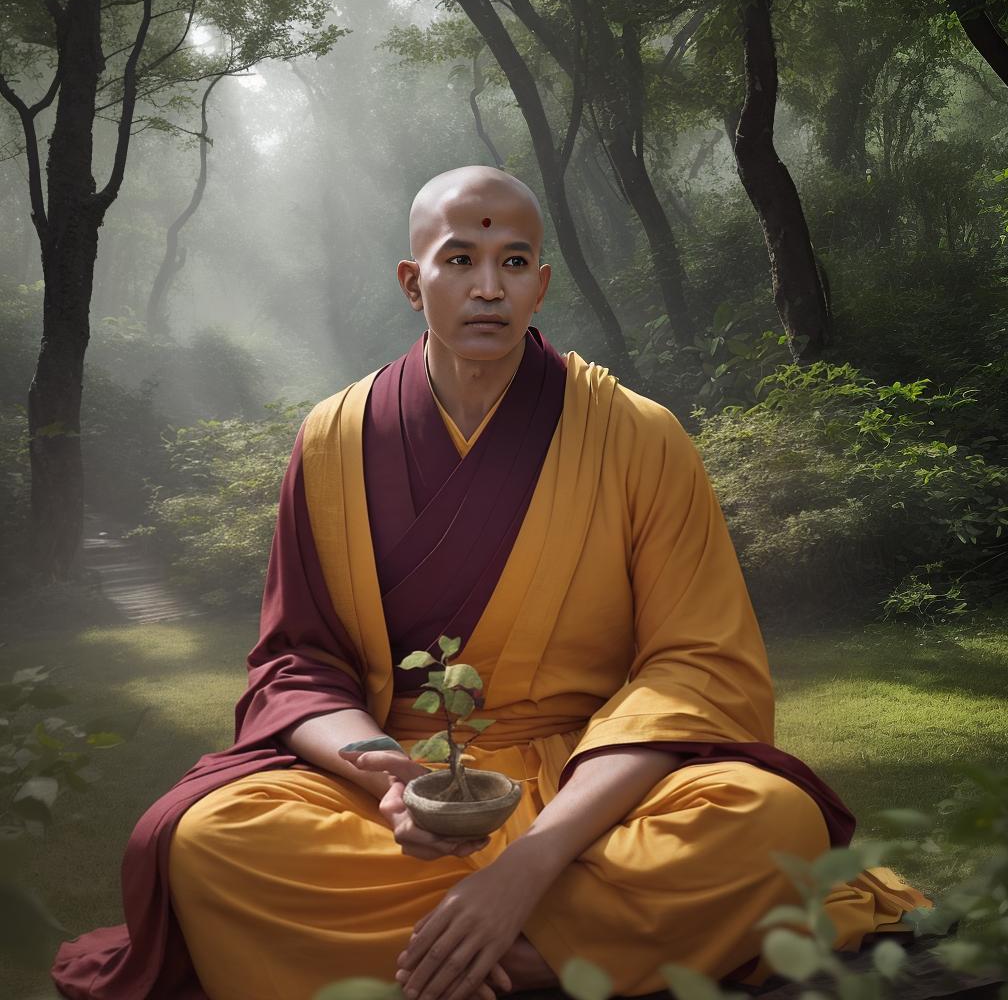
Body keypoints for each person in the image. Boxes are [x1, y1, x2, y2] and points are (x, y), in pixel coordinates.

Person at [52, 165, 928, 1000]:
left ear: (541, 286)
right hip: (405, 806)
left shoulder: (640, 435)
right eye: (459, 261)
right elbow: (296, 661)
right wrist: (387, 778)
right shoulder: (331, 439)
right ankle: (560, 947)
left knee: (770, 819)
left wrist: (529, 861)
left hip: (595, 786)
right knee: (210, 839)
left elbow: (697, 669)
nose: (488, 288)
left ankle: (463, 955)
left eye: (513, 264)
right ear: (411, 280)